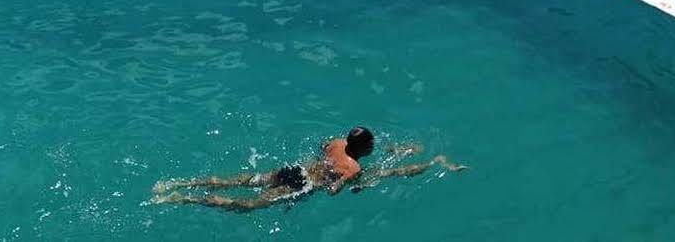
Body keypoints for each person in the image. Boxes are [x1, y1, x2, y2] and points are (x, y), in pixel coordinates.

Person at [152, 128, 464, 212]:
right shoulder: (354, 167)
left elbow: (322, 146)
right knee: (245, 205)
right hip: (301, 184)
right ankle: (184, 199)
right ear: (365, 150)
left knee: (242, 180)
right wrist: (351, 186)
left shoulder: (337, 143)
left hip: (295, 168)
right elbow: (333, 189)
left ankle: (180, 183)